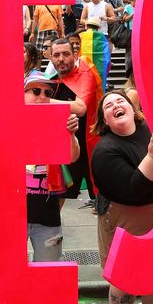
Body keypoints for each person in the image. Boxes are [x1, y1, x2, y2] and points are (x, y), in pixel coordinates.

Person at [0, 71, 80, 304]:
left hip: (45, 215)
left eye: (45, 92)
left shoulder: (57, 123)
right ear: (20, 94)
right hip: (10, 216)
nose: (41, 97)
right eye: (34, 91)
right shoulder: (6, 124)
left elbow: (72, 157)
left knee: (51, 272)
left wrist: (71, 134)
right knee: (2, 272)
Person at [90, 90, 153, 304]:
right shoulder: (104, 152)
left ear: (133, 109)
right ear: (105, 122)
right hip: (122, 217)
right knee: (124, 276)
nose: (115, 106)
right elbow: (134, 190)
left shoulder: (152, 130)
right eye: (108, 106)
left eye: (120, 101)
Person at [49, 39, 97, 207]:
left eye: (66, 54)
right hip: (66, 150)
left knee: (104, 204)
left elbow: (80, 107)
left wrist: (43, 100)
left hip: (92, 148)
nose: (61, 58)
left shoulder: (85, 72)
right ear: (50, 57)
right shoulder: (52, 81)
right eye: (56, 55)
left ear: (74, 55)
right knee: (58, 196)